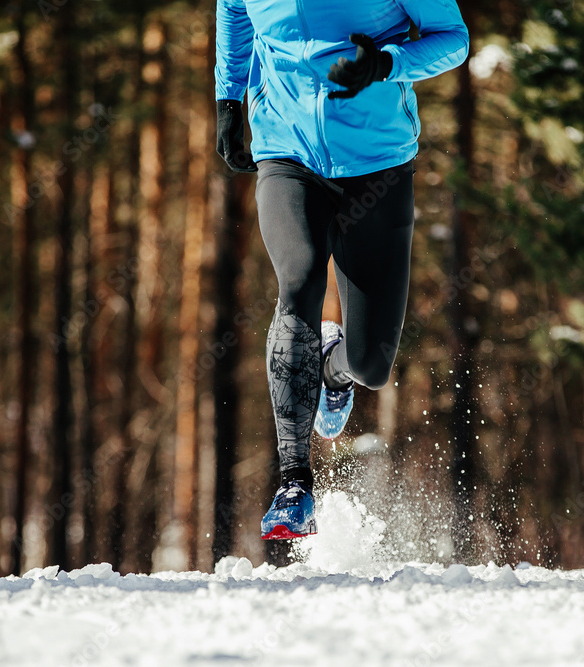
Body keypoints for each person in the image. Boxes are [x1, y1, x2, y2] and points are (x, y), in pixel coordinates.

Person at [214, 0, 468, 540]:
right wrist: (228, 95)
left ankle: (334, 368)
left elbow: (453, 38)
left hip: (377, 164)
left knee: (371, 365)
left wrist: (386, 64)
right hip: (287, 154)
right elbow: (233, 10)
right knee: (299, 279)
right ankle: (293, 485)